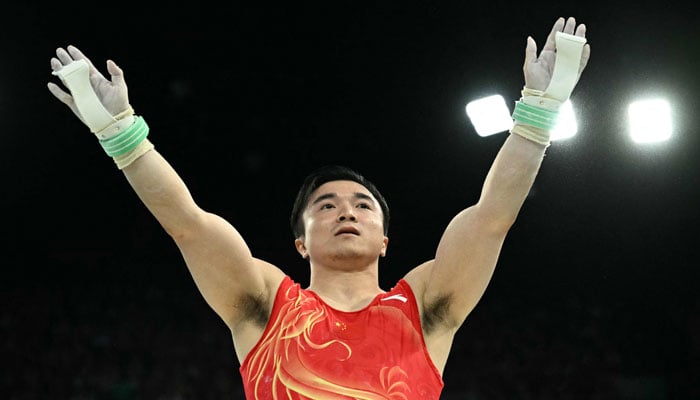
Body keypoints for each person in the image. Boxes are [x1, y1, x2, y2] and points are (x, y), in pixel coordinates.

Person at [47, 16, 590, 400]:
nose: (345, 212)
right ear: (301, 241)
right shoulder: (263, 306)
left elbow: (492, 218)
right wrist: (120, 133)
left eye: (362, 205)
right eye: (325, 205)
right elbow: (187, 225)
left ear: (385, 239)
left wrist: (538, 114)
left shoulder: (424, 309)